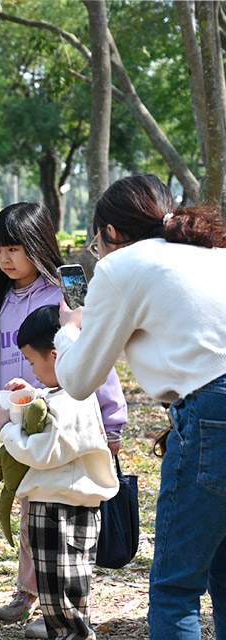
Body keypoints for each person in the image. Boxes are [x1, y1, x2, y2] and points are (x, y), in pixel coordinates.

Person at [53, 174, 226, 640]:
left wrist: (71, 328)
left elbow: (78, 379)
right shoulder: (214, 253)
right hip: (213, 407)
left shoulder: (121, 266)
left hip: (212, 414)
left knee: (175, 589)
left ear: (111, 233)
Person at [0, 202, 128, 638]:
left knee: (61, 514)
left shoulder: (67, 293)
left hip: (65, 419)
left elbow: (95, 353)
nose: (6, 259)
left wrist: (112, 420)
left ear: (38, 245)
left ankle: (61, 603)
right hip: (18, 416)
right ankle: (31, 592)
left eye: (15, 248)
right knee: (30, 506)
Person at [0, 305, 119, 640]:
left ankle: (72, 635)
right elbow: (48, 405)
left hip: (59, 508)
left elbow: (41, 452)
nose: (33, 372)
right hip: (65, 503)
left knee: (61, 588)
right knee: (65, 587)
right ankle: (65, 631)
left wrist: (5, 428)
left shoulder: (69, 402)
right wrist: (29, 395)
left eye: (33, 363)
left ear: (55, 354)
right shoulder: (69, 394)